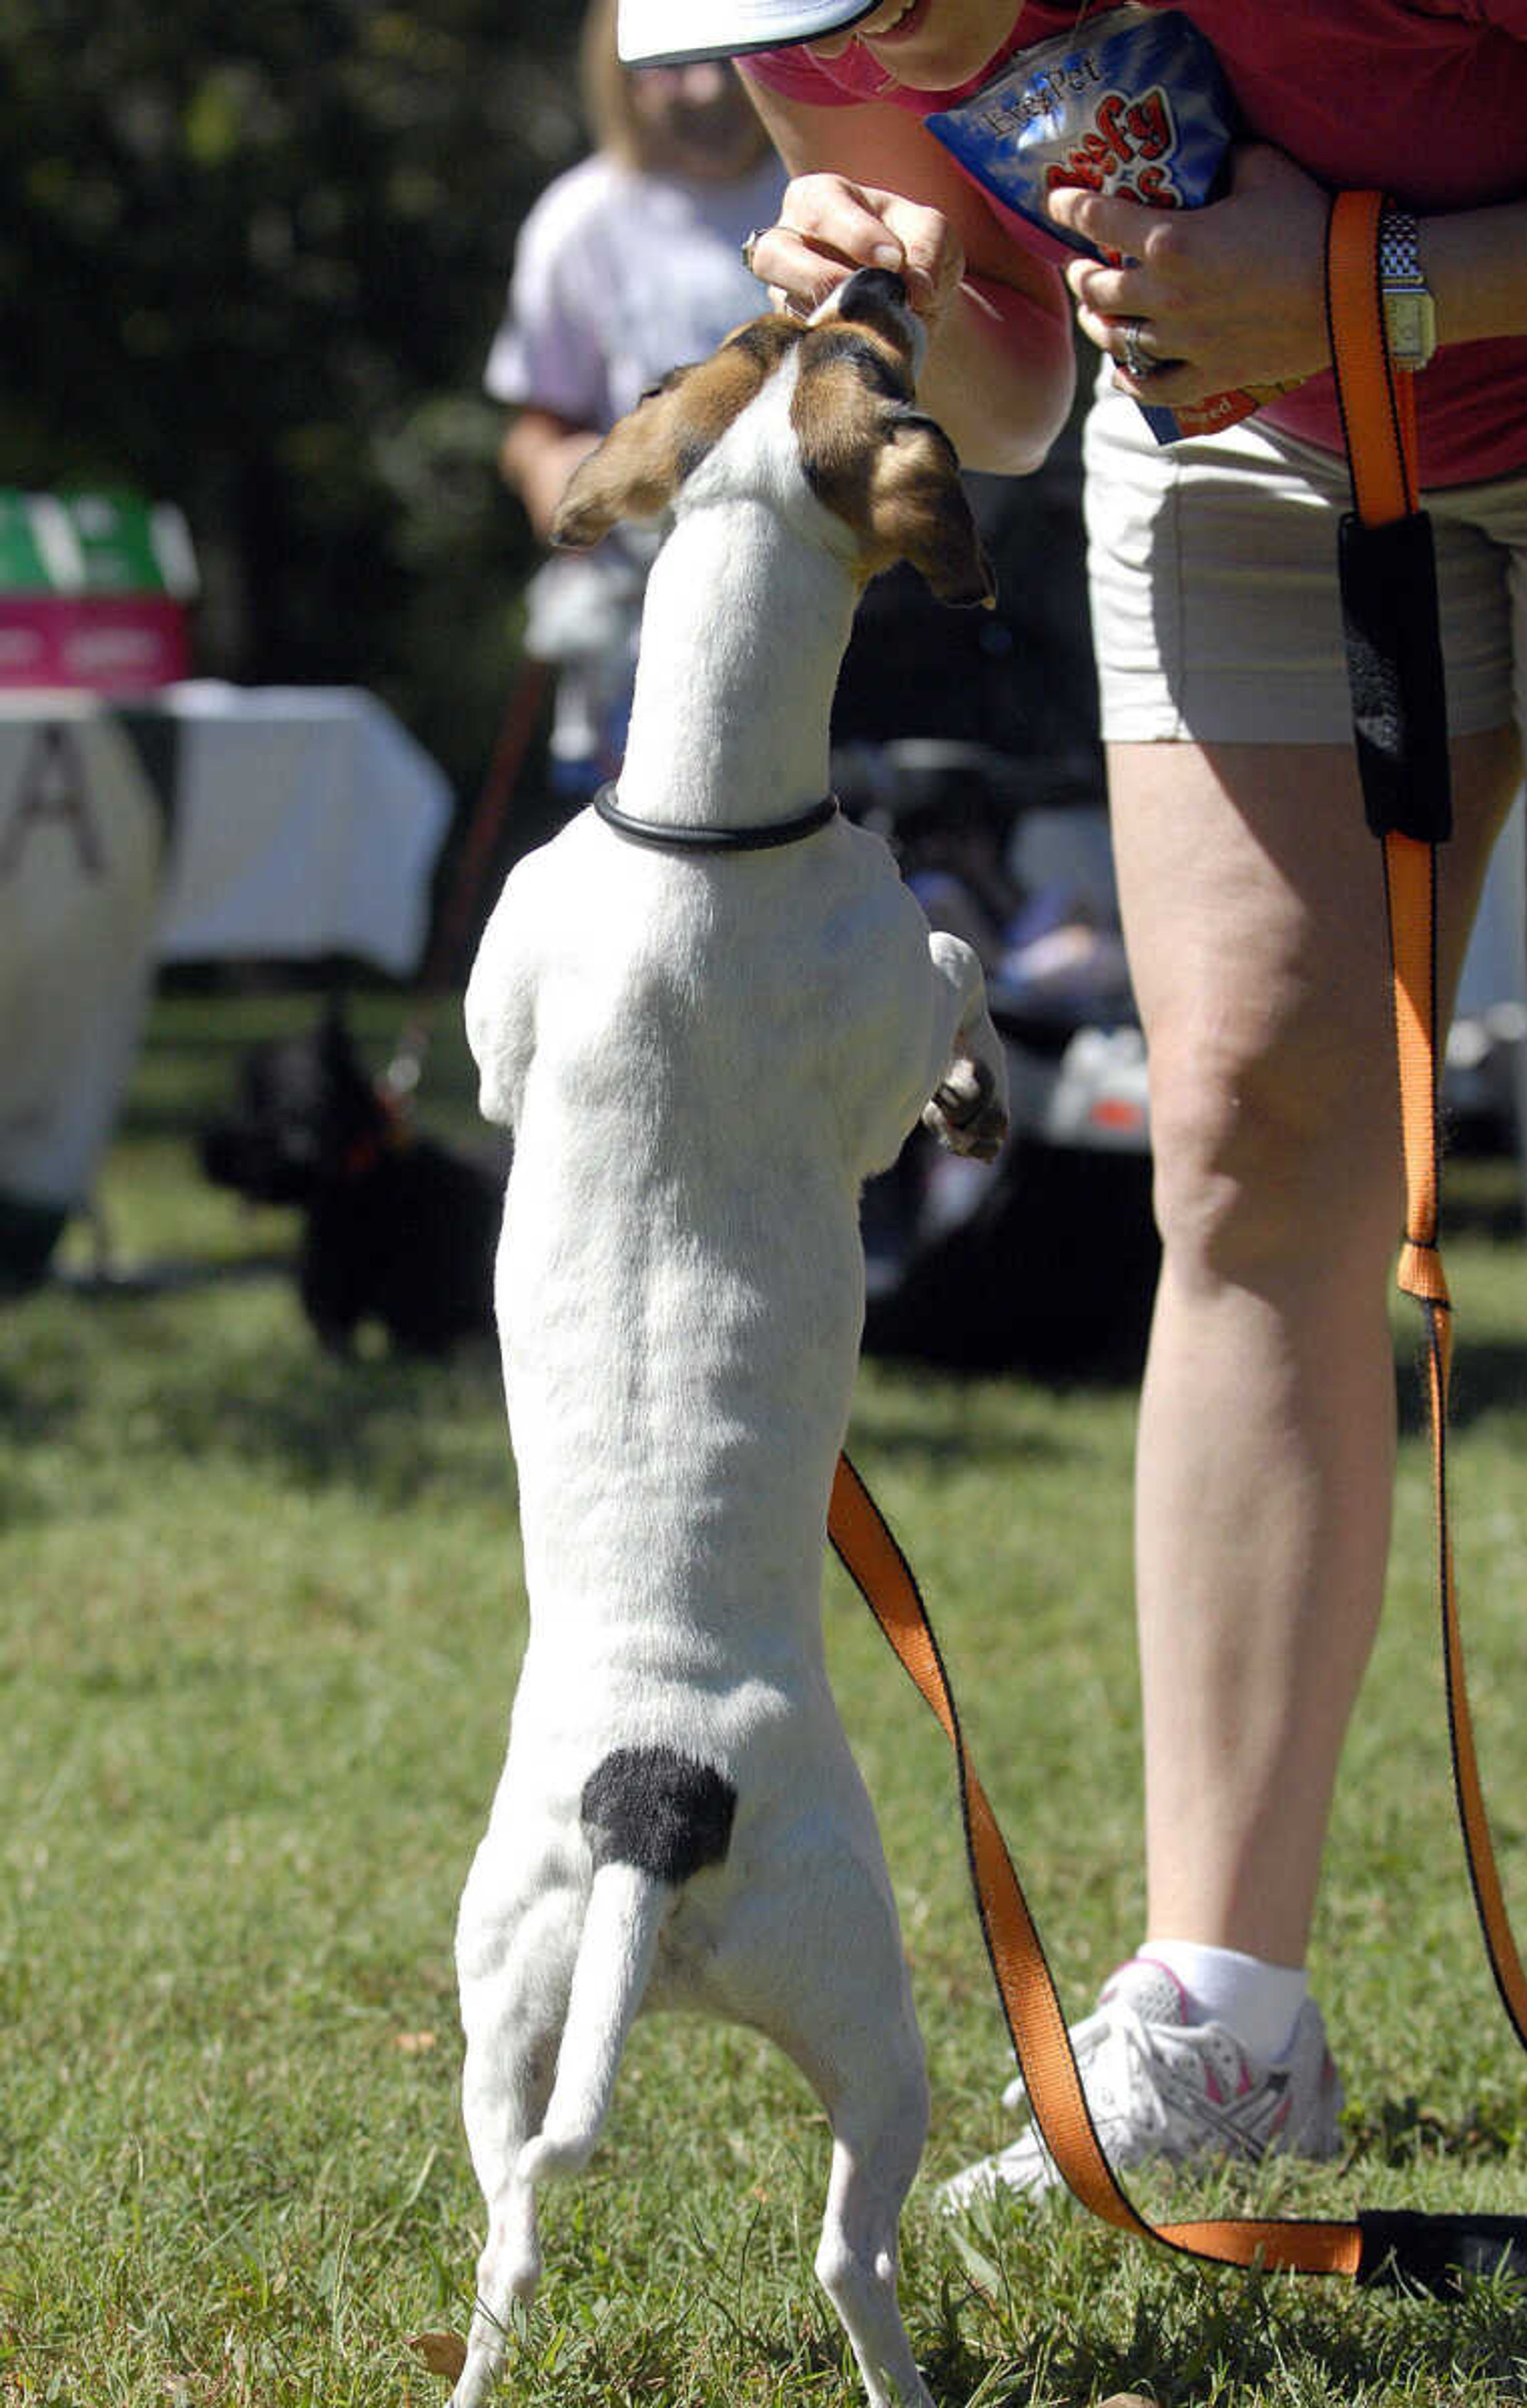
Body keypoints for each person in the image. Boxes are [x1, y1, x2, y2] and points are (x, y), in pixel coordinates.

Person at [616, 0, 1527, 2206]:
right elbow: (1025, 396)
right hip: (1249, 447)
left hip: (1418, 328)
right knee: (1240, 1130)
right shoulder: (816, 31)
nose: (877, 34)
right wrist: (903, 288)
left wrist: (1379, 278)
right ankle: (1223, 2019)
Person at [484, 0, 785, 801]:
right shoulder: (583, 222)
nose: (707, 90)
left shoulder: (822, 191)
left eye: (729, 57)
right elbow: (536, 429)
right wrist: (568, 482)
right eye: (674, 62)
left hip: (835, 600)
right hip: (651, 619)